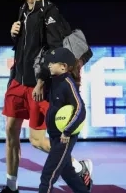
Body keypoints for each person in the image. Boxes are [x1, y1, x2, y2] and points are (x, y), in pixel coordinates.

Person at [0, 0, 93, 193]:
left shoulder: (50, 14)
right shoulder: (24, 9)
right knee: (11, 132)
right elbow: (27, 46)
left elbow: (54, 54)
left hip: (38, 86)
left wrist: (42, 81)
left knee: (37, 141)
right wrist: (14, 32)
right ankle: (11, 187)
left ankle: (78, 166)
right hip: (18, 81)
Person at [39, 47, 91, 193]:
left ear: (63, 67)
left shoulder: (68, 83)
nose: (49, 65)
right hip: (55, 135)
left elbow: (80, 109)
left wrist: (67, 132)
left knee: (47, 176)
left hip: (64, 137)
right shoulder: (54, 81)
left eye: (52, 62)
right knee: (67, 172)